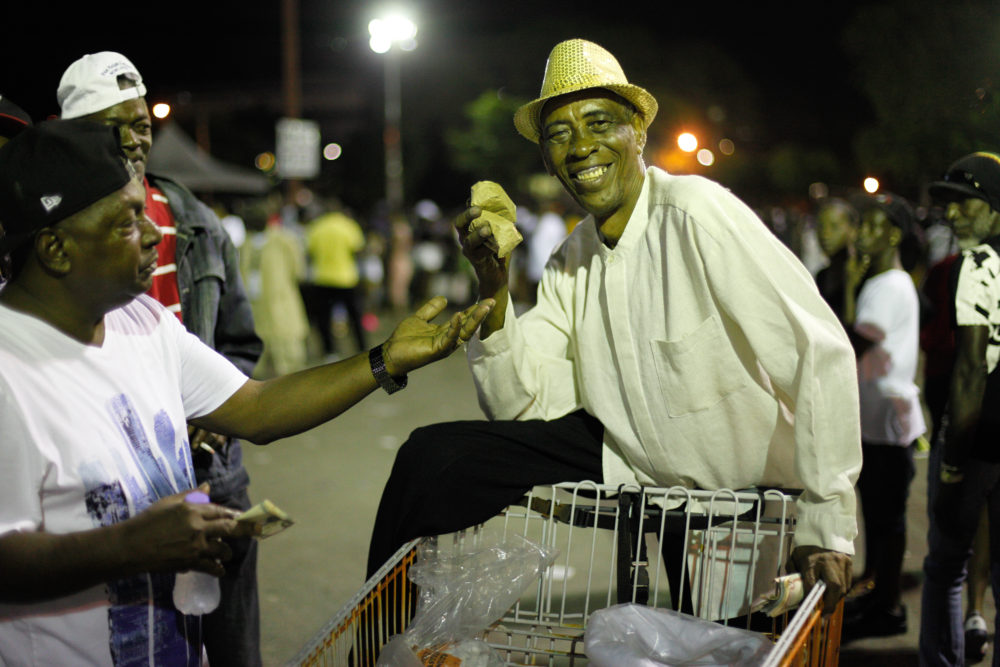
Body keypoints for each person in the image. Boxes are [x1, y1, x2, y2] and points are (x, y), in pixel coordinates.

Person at [367, 38, 861, 615]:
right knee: (433, 458)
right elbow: (520, 409)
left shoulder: (696, 213)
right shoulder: (571, 259)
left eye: (599, 123)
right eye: (559, 134)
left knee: (728, 641)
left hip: (736, 496)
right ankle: (384, 639)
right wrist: (494, 287)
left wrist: (829, 521)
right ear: (548, 161)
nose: (580, 147)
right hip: (630, 463)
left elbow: (817, 353)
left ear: (638, 134)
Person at [0, 119, 492, 666]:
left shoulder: (140, 319)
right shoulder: (9, 369)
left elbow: (254, 407)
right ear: (55, 249)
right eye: (125, 222)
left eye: (143, 210)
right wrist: (129, 547)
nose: (152, 234)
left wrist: (383, 361)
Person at [57, 51, 265, 666]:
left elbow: (241, 341)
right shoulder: (58, 232)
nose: (132, 139)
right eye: (109, 125)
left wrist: (216, 412)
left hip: (205, 469)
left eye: (141, 123)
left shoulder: (194, 220)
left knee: (225, 628)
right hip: (110, 471)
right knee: (131, 626)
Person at [920, 151, 1000, 667]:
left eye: (967, 204)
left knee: (946, 565)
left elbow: (971, 371)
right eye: (949, 205)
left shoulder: (978, 266)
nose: (953, 215)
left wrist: (951, 464)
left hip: (978, 442)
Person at [839, 192, 926, 641]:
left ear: (894, 234)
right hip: (880, 418)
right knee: (877, 515)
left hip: (888, 421)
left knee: (887, 520)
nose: (864, 235)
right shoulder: (889, 280)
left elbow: (854, 339)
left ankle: (887, 606)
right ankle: (876, 594)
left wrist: (852, 286)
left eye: (875, 227)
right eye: (863, 225)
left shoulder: (889, 284)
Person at [303, 198, 368, 359]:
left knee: (323, 318)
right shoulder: (348, 225)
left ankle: (329, 351)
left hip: (322, 278)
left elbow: (309, 252)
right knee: (355, 316)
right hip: (346, 278)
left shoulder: (316, 227)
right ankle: (361, 347)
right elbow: (358, 249)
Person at [813, 195, 859, 323]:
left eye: (834, 227)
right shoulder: (822, 276)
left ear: (853, 230)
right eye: (821, 227)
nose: (825, 234)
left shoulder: (861, 272)